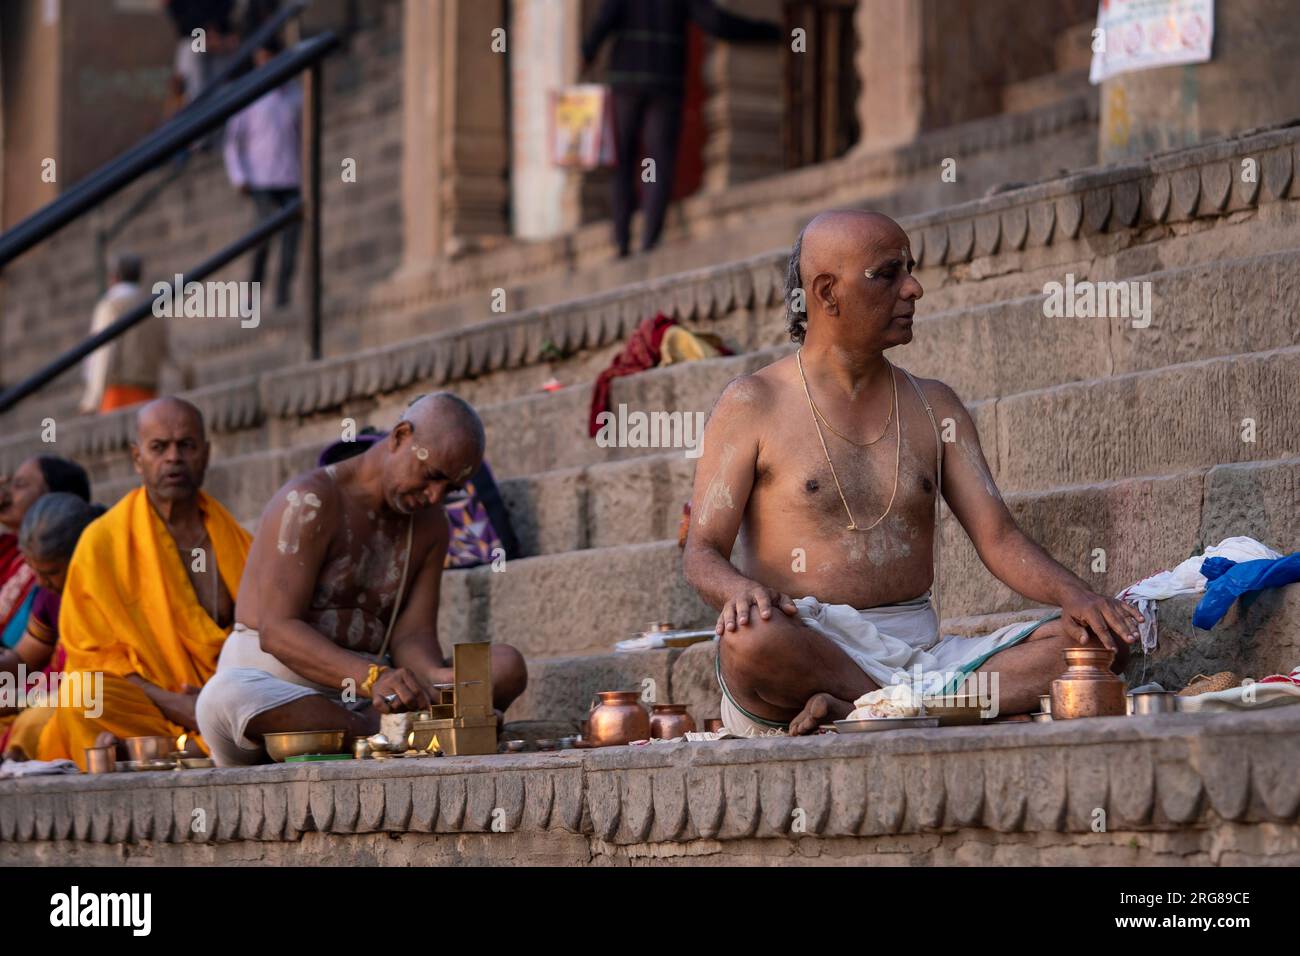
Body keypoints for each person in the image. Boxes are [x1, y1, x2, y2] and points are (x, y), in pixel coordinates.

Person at [682, 210, 1144, 736]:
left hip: (924, 658)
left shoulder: (934, 407)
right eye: (888, 273)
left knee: (1098, 645)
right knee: (750, 642)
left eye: (911, 268)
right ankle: (908, 707)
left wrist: (1076, 595)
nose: (914, 288)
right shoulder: (753, 403)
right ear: (828, 292)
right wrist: (737, 592)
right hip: (806, 645)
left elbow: (999, 537)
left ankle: (870, 709)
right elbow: (702, 553)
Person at [197, 393, 528, 766]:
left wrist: (438, 681)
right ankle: (386, 733)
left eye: (449, 489)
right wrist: (373, 677)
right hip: (278, 689)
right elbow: (277, 630)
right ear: (401, 436)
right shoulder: (309, 500)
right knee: (224, 697)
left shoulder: (431, 524)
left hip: (372, 696)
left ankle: (389, 731)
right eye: (432, 476)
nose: (435, 495)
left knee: (505, 666)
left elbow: (412, 637)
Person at [37, 398, 252, 769]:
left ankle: (154, 748)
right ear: (138, 458)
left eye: (186, 445)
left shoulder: (235, 541)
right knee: (82, 695)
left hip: (223, 697)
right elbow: (91, 657)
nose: (174, 458)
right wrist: (180, 705)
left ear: (206, 453)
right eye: (159, 447)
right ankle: (179, 742)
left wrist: (209, 700)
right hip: (149, 703)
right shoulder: (102, 542)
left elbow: (260, 636)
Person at [581, 0, 780, 256]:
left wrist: (587, 52)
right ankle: (649, 240)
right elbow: (714, 22)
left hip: (627, 82)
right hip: (665, 82)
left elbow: (604, 22)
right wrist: (767, 31)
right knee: (659, 159)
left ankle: (622, 242)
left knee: (624, 162)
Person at [0, 495, 105, 759]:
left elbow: (105, 680)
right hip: (50, 693)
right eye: (35, 572)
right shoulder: (49, 595)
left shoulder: (108, 585)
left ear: (81, 553)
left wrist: (21, 700)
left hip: (101, 696)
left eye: (51, 573)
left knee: (32, 725)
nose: (42, 583)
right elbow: (25, 657)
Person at [223, 36, 302, 308]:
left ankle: (283, 295)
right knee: (263, 238)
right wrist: (239, 177)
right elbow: (233, 142)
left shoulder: (294, 94)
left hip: (291, 176)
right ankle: (252, 298)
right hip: (261, 178)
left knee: (292, 238)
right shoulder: (251, 95)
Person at [0, 457, 92, 650]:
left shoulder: (68, 570)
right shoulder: (8, 550)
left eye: (19, 485)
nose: (6, 493)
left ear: (55, 499)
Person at [80, 252, 168, 415]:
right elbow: (170, 351)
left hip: (117, 395)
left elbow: (103, 353)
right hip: (149, 393)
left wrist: (92, 398)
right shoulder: (154, 308)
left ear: (115, 276)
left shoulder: (110, 306)